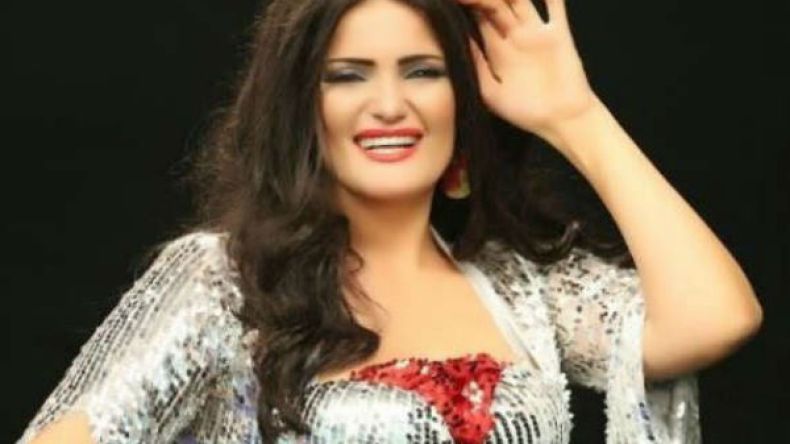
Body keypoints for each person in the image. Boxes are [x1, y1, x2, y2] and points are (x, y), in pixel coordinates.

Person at [19, 0, 763, 442]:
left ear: (462, 100)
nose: (388, 105)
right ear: (303, 112)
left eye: (423, 71)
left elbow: (717, 317)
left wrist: (573, 114)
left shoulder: (521, 290)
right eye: (347, 77)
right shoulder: (231, 282)